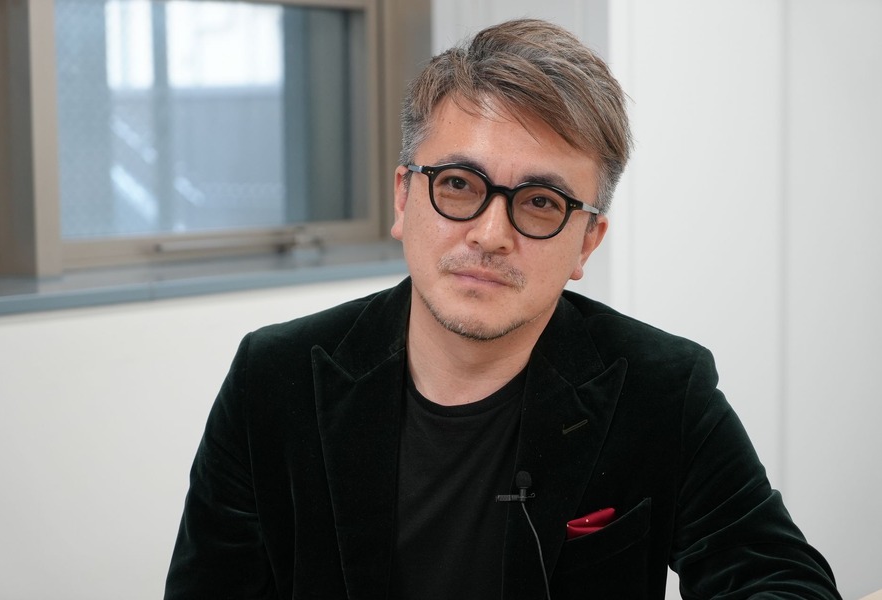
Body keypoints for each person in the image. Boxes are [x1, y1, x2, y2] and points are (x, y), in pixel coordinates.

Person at [165, 18, 840, 600]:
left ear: (587, 242)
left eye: (541, 202)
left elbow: (782, 580)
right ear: (403, 197)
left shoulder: (662, 388)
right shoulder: (275, 377)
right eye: (459, 184)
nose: (490, 235)